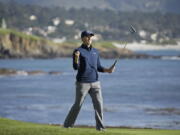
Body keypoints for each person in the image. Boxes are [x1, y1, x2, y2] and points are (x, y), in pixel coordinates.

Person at [63, 30, 115, 131]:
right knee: (77, 105)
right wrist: (76, 58)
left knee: (99, 105)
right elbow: (75, 67)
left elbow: (98, 67)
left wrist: (107, 70)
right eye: (87, 36)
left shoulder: (95, 51)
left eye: (91, 36)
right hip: (82, 83)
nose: (90, 38)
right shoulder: (78, 51)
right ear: (82, 38)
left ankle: (100, 128)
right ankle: (67, 125)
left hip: (95, 82)